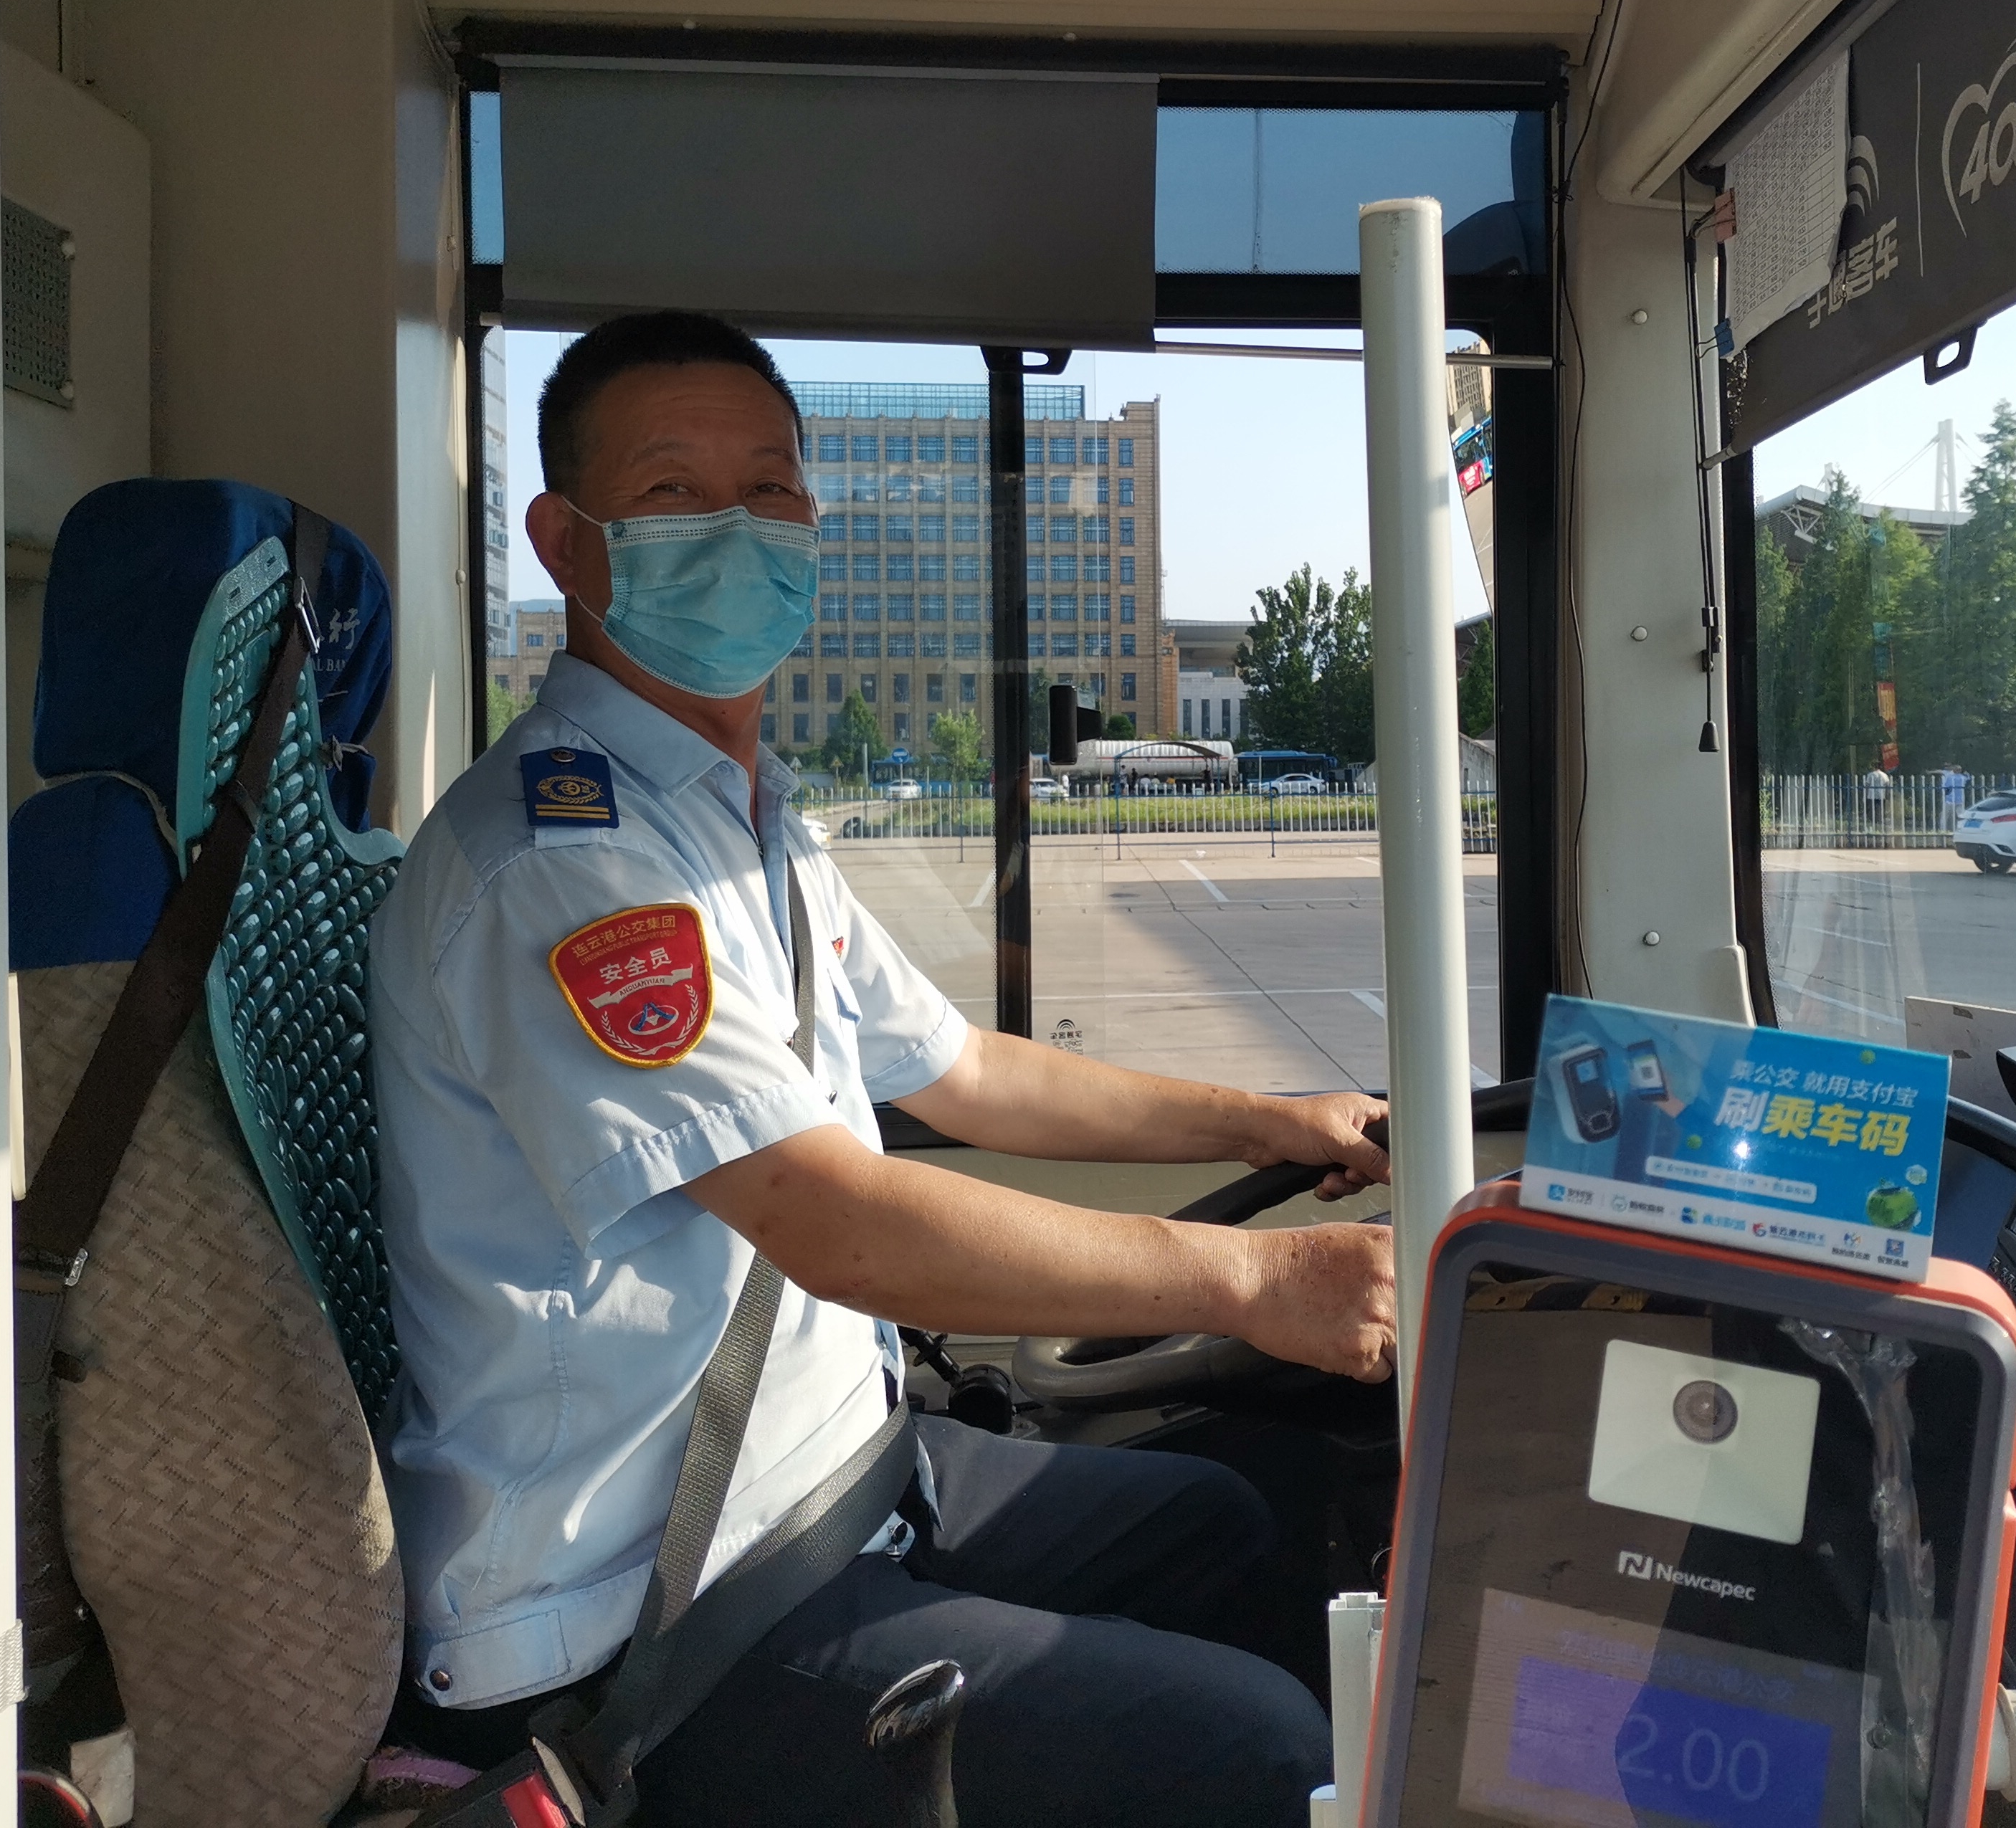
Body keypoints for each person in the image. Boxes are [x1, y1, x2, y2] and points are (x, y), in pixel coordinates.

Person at [371, 313, 1394, 1828]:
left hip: (831, 1478)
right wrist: (1255, 1280)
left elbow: (965, 1074)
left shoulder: (744, 821)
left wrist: (1275, 1122)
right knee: (1250, 1747)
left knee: (1226, 1524)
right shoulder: (559, 859)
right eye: (671, 492)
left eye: (771, 489)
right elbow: (832, 1221)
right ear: (566, 545)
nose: (738, 529)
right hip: (644, 1613)